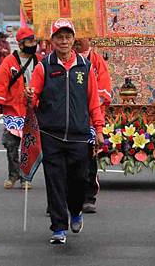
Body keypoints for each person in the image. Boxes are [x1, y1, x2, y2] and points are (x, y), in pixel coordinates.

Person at [25, 18, 105, 245]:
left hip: (79, 136)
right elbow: (33, 100)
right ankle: (59, 226)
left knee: (79, 180)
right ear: (52, 41)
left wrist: (98, 129)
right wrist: (30, 97)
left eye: (67, 37)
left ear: (73, 40)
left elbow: (93, 102)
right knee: (55, 181)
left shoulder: (85, 67)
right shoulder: (44, 67)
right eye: (59, 37)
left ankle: (76, 210)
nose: (64, 41)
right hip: (51, 135)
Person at [0, 26, 40, 190]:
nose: (33, 44)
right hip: (13, 110)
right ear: (21, 44)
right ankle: (13, 174)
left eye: (34, 41)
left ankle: (25, 177)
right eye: (30, 41)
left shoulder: (39, 60)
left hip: (32, 111)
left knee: (28, 146)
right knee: (10, 145)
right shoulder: (9, 62)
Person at [73, 37, 112, 214]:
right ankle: (61, 199)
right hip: (65, 120)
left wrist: (97, 125)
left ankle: (89, 197)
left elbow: (103, 93)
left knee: (88, 160)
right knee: (63, 163)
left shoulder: (96, 61)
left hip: (88, 118)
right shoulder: (58, 60)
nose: (76, 41)